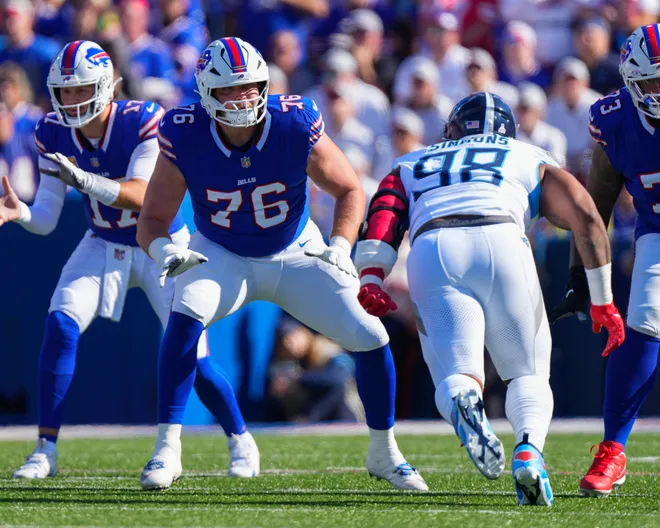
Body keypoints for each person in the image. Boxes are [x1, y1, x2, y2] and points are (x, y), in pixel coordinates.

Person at [135, 37, 427, 492]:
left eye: (251, 87)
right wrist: (163, 251)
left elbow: (350, 188)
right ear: (207, 95)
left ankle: (384, 452)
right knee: (185, 313)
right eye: (231, 90)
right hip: (221, 252)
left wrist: (340, 244)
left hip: (296, 250)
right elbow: (152, 218)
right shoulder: (184, 130)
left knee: (372, 335)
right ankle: (167, 449)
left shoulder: (293, 120)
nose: (244, 98)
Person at [0, 40, 258, 480]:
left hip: (162, 246)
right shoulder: (51, 131)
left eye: (81, 90)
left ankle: (240, 440)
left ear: (105, 86)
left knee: (192, 358)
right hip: (102, 242)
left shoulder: (142, 120)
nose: (72, 100)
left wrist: (85, 178)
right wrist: (19, 212)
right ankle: (45, 449)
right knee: (60, 323)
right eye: (65, 91)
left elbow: (141, 194)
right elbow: (45, 218)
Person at [354, 92, 625, 506]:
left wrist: (371, 275)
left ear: (452, 130)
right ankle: (529, 452)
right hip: (503, 239)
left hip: (435, 246)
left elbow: (385, 212)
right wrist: (602, 300)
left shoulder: (414, 160)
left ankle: (465, 401)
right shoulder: (526, 153)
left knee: (456, 373)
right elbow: (586, 215)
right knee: (528, 374)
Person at [550, 24, 660, 498]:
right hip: (658, 232)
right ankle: (613, 450)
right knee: (644, 319)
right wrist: (580, 274)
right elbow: (595, 206)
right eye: (654, 81)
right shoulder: (615, 121)